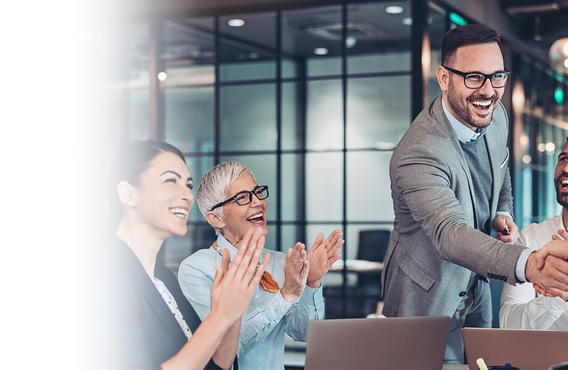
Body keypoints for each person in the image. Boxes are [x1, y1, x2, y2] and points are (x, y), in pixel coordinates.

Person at [381, 24, 568, 364]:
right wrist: (529, 263)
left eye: (497, 76)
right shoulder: (419, 152)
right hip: (425, 302)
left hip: (476, 293)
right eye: (474, 77)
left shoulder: (496, 118)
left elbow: (502, 170)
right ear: (443, 77)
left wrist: (504, 212)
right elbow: (450, 234)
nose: (488, 91)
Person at [106, 141, 270, 370]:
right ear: (128, 193)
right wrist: (221, 316)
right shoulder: (103, 278)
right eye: (170, 180)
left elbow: (213, 366)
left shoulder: (165, 280)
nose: (187, 195)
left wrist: (234, 309)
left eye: (188, 185)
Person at [178, 161, 343, 370]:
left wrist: (311, 282)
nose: (258, 202)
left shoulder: (281, 262)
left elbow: (303, 333)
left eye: (258, 193)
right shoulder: (196, 269)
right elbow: (226, 348)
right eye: (243, 197)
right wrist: (286, 296)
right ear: (216, 218)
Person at [499, 138, 568, 330]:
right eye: (563, 158)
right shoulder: (530, 239)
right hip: (545, 360)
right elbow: (509, 325)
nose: (566, 168)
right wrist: (559, 292)